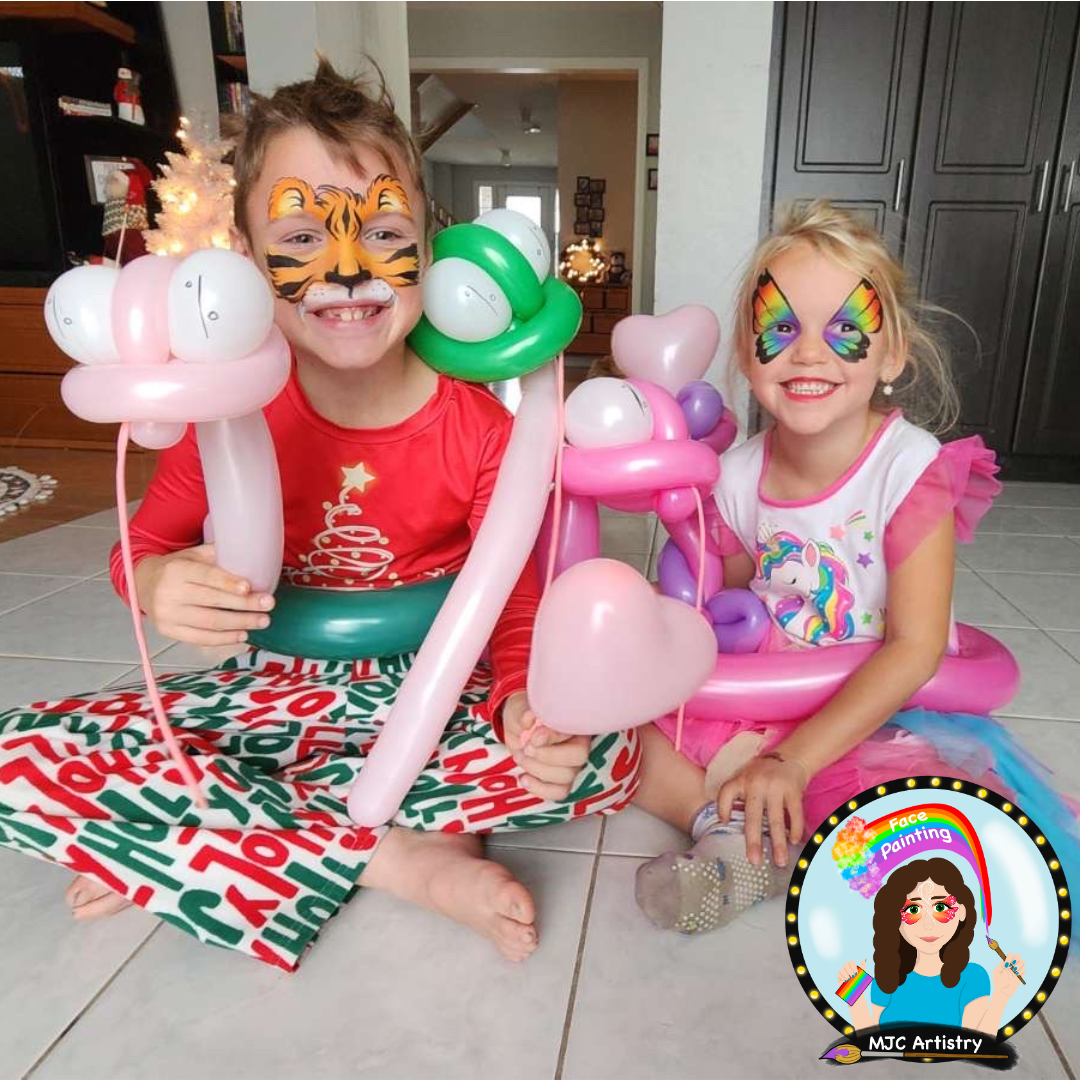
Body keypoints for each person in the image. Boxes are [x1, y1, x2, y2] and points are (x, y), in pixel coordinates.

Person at [0, 60, 640, 971]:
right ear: (250, 262)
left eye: (382, 229)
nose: (347, 271)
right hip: (279, 696)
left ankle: (195, 841)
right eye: (303, 233)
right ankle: (397, 859)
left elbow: (513, 597)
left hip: (433, 695)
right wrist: (152, 581)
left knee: (608, 752)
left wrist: (521, 708)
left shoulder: (479, 428)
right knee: (17, 757)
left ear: (431, 243)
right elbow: (144, 544)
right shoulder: (233, 407)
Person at [633, 201, 1077, 934]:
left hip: (871, 699)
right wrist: (689, 541)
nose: (809, 354)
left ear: (892, 353)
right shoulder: (736, 474)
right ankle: (726, 828)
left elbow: (914, 645)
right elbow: (734, 609)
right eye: (779, 330)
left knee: (928, 821)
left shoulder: (910, 469)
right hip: (771, 689)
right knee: (620, 734)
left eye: (845, 331)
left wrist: (797, 760)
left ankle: (784, 819)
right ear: (747, 358)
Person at [839, 858, 1025, 1032]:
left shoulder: (974, 978)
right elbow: (872, 1044)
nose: (928, 924)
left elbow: (976, 1046)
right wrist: (853, 994)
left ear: (961, 912)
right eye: (913, 910)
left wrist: (1002, 995)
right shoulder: (886, 977)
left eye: (941, 908)